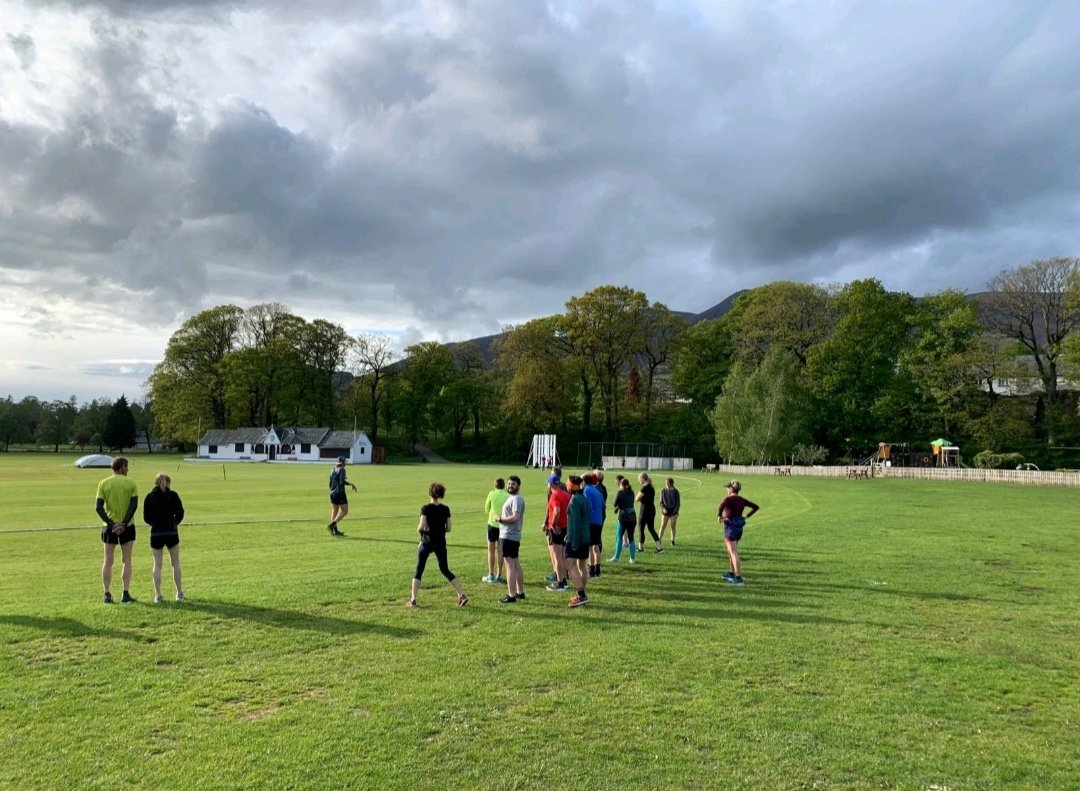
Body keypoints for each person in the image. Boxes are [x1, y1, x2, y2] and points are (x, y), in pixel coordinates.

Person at [407, 482, 468, 608]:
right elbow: (449, 528)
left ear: (430, 493)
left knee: (419, 570)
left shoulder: (425, 508)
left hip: (426, 542)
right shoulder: (446, 509)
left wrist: (420, 530)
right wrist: (440, 530)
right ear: (441, 494)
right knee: (445, 569)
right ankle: (461, 595)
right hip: (440, 542)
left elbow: (421, 526)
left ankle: (413, 599)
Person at [96, 456, 139, 604]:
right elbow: (134, 506)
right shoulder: (131, 483)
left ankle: (107, 594)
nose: (128, 470)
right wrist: (124, 524)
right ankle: (125, 593)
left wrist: (111, 524)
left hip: (109, 528)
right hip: (128, 526)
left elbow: (98, 507)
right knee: (126, 560)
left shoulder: (103, 483)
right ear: (121, 467)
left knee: (108, 561)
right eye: (126, 467)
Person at [142, 472, 186, 603]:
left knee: (157, 564)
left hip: (156, 532)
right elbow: (180, 513)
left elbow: (146, 517)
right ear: (168, 483)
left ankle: (158, 595)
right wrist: (174, 522)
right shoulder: (173, 495)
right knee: (175, 563)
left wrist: (154, 524)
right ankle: (179, 593)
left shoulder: (149, 497)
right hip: (171, 531)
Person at [717, 480, 760, 585]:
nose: (726, 489)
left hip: (730, 528)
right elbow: (756, 507)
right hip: (739, 528)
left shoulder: (728, 499)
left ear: (731, 489)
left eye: (728, 488)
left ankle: (738, 577)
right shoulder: (741, 499)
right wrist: (745, 516)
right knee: (730, 551)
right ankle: (731, 573)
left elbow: (720, 506)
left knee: (733, 552)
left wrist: (719, 516)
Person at [494, 475, 526, 603]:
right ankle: (520, 592)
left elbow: (515, 517)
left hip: (509, 536)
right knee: (515, 564)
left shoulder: (517, 499)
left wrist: (500, 518)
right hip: (512, 535)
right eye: (509, 484)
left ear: (518, 486)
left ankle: (511, 595)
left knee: (509, 565)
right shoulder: (513, 498)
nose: (510, 486)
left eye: (513, 484)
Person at [564, 476, 591, 607]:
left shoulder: (574, 501)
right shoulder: (584, 498)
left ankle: (581, 595)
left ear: (572, 487)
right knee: (581, 566)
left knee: (571, 565)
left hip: (577, 538)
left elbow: (576, 523)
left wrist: (574, 542)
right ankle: (582, 594)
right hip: (585, 537)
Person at [543, 479, 570, 591]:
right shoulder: (566, 494)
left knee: (557, 557)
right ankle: (563, 579)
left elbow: (557, 511)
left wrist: (553, 524)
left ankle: (560, 583)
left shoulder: (555, 495)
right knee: (562, 556)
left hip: (557, 529)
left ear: (551, 484)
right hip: (565, 527)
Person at [482, 478, 509, 583]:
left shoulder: (491, 494)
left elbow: (486, 509)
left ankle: (491, 574)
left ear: (495, 486)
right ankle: (499, 574)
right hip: (502, 524)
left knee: (491, 550)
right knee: (500, 551)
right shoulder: (507, 496)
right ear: (504, 486)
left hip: (492, 524)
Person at [608, 477, 637, 563]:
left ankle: (616, 557)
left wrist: (618, 506)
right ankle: (632, 558)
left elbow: (614, 504)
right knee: (631, 537)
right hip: (632, 516)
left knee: (619, 536)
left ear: (621, 485)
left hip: (623, 517)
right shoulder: (632, 492)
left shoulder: (620, 492)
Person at [583, 472, 605, 578]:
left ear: (584, 482)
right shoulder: (597, 491)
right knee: (596, 545)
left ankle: (591, 571)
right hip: (599, 521)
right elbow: (603, 505)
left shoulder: (586, 490)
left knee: (590, 547)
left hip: (591, 522)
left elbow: (589, 507)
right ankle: (597, 571)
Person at [327, 455, 357, 536]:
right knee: (345, 511)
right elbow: (341, 482)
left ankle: (335, 531)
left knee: (334, 512)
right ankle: (332, 525)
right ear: (343, 463)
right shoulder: (342, 470)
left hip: (332, 493)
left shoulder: (332, 469)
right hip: (340, 493)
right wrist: (351, 484)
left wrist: (332, 490)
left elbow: (330, 483)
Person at [636, 472, 663, 553]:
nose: (638, 481)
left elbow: (637, 498)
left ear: (642, 479)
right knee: (651, 529)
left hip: (644, 511)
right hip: (651, 510)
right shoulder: (651, 487)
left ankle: (641, 548)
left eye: (639, 479)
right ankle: (659, 548)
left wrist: (641, 499)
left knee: (641, 528)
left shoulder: (644, 488)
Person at [659, 477, 681, 547]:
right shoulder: (663, 491)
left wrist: (675, 512)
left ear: (671, 484)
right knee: (663, 526)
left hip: (674, 511)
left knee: (673, 526)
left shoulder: (675, 491)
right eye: (665, 483)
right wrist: (663, 509)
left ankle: (672, 541)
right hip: (665, 510)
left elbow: (678, 503)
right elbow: (661, 502)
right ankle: (659, 540)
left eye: (667, 483)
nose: (666, 484)